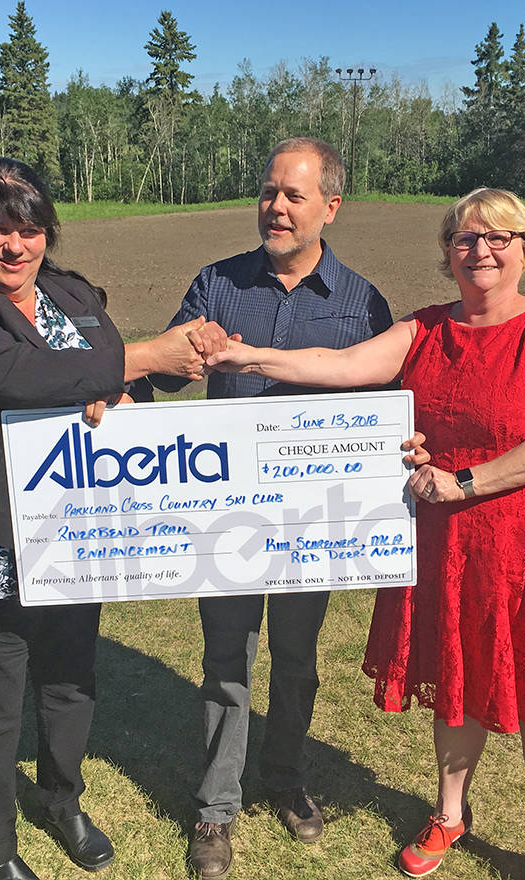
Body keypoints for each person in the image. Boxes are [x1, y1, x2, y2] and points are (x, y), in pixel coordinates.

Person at [206, 187, 525, 880]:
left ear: (524, 249)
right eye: (464, 239)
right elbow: (342, 365)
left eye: (497, 238)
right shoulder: (426, 329)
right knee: (454, 680)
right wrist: (254, 359)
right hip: (447, 543)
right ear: (448, 253)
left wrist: (467, 480)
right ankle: (451, 813)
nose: (480, 251)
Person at [0, 156, 222, 880]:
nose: (15, 245)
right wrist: (133, 361)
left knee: (71, 680)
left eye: (31, 228)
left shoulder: (70, 295)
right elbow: (15, 376)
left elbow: (100, 377)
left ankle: (61, 798)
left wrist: (129, 395)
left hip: (77, 530)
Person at [151, 137, 395, 879]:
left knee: (296, 661)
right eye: (268, 192)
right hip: (225, 520)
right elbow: (164, 373)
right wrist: (118, 390)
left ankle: (284, 778)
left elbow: (382, 411)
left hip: (310, 527)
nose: (277, 207)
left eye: (294, 195)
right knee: (228, 658)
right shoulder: (217, 285)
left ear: (331, 206)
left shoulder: (362, 304)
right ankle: (216, 809)